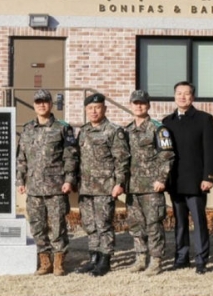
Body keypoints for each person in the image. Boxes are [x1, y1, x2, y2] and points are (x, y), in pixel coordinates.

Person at [16, 89, 79, 276]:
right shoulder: (27, 129)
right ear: (34, 105)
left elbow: (71, 157)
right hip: (34, 188)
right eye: (38, 102)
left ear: (51, 104)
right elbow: (21, 158)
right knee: (37, 226)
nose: (41, 105)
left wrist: (69, 180)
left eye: (45, 101)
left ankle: (59, 262)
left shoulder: (63, 128)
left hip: (56, 187)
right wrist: (20, 180)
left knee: (58, 226)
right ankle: (45, 261)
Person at [162, 81, 213, 275]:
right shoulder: (167, 122)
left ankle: (201, 259)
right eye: (179, 93)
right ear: (174, 96)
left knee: (199, 221)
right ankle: (181, 257)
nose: (182, 97)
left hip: (196, 181)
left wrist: (209, 176)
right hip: (175, 181)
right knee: (180, 222)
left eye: (186, 94)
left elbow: (211, 150)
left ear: (193, 97)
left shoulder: (204, 119)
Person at [75, 93, 130, 277]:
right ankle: (93, 258)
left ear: (105, 109)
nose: (94, 111)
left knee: (104, 224)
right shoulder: (83, 131)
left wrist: (119, 183)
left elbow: (121, 159)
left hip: (105, 187)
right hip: (85, 187)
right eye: (90, 108)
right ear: (86, 110)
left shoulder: (114, 131)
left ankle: (105, 260)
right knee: (90, 225)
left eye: (97, 107)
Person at [125, 90, 174, 276]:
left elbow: (167, 156)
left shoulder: (158, 129)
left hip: (152, 187)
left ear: (148, 105)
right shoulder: (126, 130)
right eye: (136, 103)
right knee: (136, 225)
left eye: (142, 103)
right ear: (131, 105)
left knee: (154, 225)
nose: (139, 106)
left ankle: (156, 260)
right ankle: (140, 258)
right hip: (133, 187)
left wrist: (161, 179)